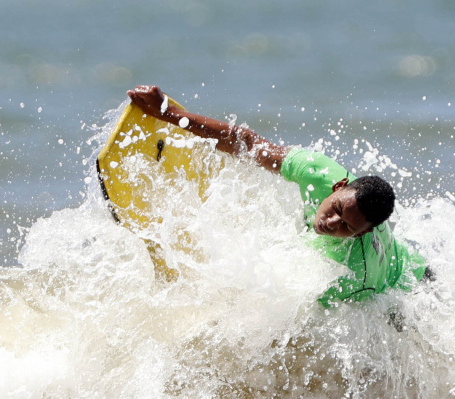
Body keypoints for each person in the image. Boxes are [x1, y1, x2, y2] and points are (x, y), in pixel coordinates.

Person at [126, 85, 430, 307]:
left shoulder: (354, 272)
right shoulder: (320, 172)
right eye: (337, 209)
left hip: (406, 290)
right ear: (339, 187)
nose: (331, 222)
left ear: (364, 232)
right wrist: (168, 113)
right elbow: (245, 142)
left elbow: (308, 321)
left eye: (347, 228)